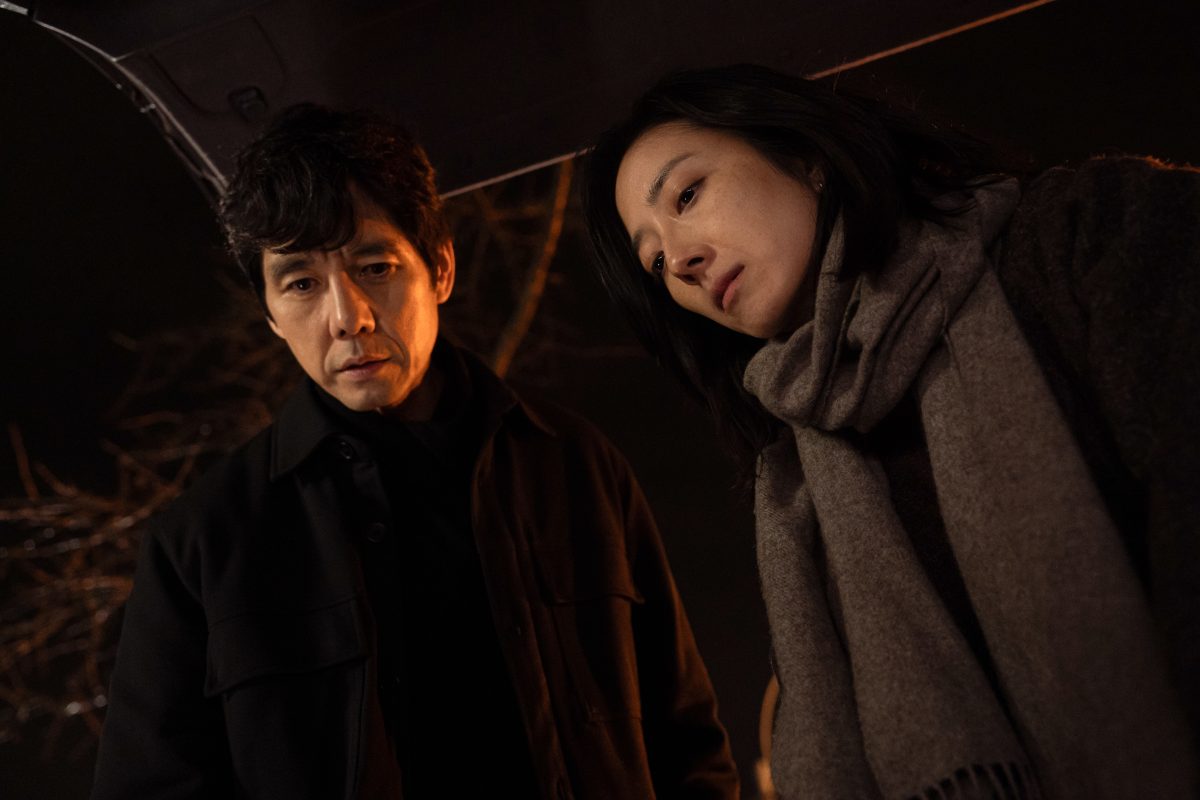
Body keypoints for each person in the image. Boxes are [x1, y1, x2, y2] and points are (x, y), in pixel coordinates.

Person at [582, 63, 1199, 799]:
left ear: (804, 155)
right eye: (655, 262)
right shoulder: (793, 483)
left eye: (687, 195)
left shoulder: (1087, 230)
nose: (680, 261)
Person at [91, 104, 739, 800]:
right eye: (302, 284)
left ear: (440, 269)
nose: (348, 317)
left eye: (374, 266)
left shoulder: (576, 467)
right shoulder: (202, 541)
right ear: (272, 315)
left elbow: (688, 746)